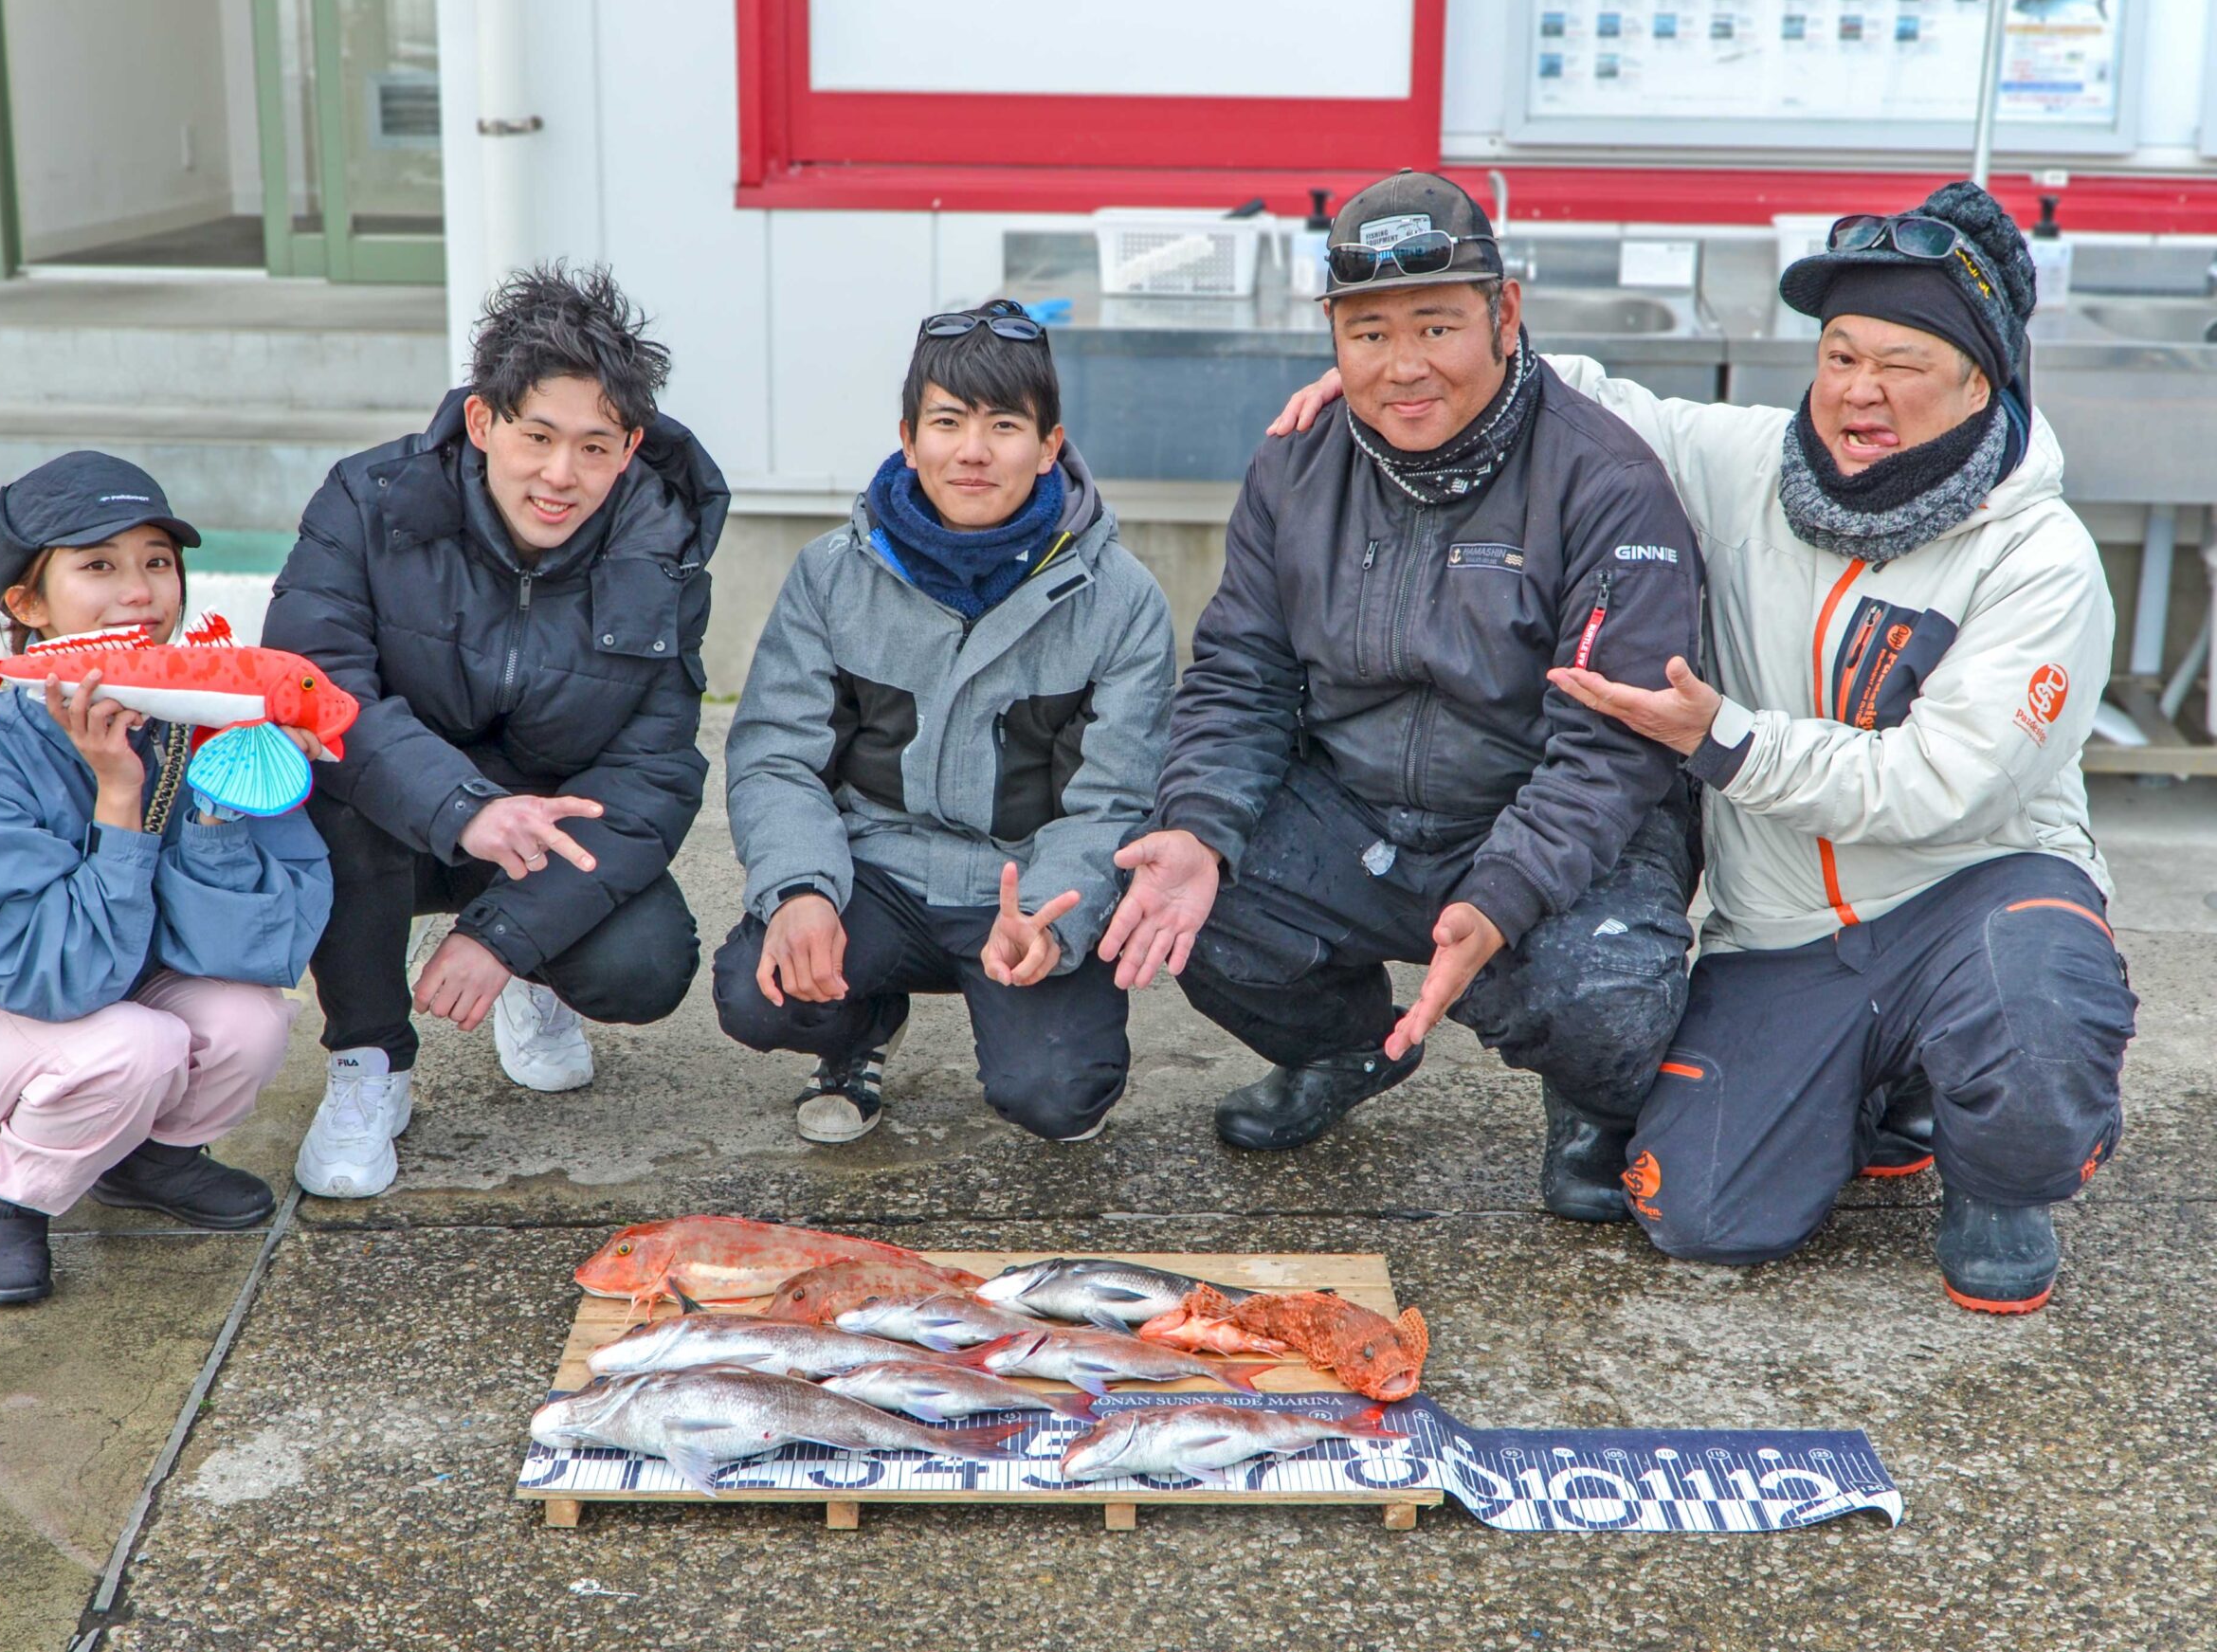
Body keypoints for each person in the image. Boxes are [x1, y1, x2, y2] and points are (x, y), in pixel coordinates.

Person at [1273, 181, 2134, 1313]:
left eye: (1903, 362)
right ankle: (1889, 1095)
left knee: (2032, 1012)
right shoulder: (1745, 465)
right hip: (1780, 932)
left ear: (1982, 379)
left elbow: (1945, 786)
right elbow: (1582, 392)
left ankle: (2001, 1176)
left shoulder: (2039, 555)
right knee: (1699, 1214)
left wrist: (1724, 740)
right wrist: (1410, 371)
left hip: (1973, 893)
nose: (1858, 390)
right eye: (1837, 355)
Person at [1099, 171, 1705, 1219]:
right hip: (1357, 804)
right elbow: (1240, 671)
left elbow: (1610, 749)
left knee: (1607, 1003)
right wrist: (1196, 826)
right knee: (1180, 892)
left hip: (1533, 810)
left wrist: (1501, 895)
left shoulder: (1605, 479)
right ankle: (1346, 1048)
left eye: (1437, 324)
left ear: (1504, 313)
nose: (1404, 366)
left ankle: (1590, 1104)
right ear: (1331, 337)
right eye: (1368, 334)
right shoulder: (1295, 463)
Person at [265, 264, 729, 1198]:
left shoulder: (659, 552)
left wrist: (507, 936)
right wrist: (460, 806)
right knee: (325, 786)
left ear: (631, 447)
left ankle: (537, 982)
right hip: (395, 822)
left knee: (645, 964)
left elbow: (652, 774)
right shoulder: (367, 501)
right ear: (483, 423)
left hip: (537, 839)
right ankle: (369, 1059)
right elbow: (313, 687)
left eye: (595, 448)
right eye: (538, 436)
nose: (562, 475)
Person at [0, 453, 333, 1304]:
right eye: (98, 565)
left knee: (249, 1020)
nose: (140, 591)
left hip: (112, 997)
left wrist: (220, 804)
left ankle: (146, 1159)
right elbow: (67, 981)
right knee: (134, 1045)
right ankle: (5, 1197)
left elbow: (262, 945)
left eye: (157, 561)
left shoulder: (205, 724)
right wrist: (117, 796)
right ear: (25, 605)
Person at [713, 299, 1175, 1143]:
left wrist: (1053, 923)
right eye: (947, 421)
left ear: (1049, 446)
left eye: (1004, 424)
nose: (971, 450)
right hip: (877, 874)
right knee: (755, 986)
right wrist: (802, 891)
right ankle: (859, 1032)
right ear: (907, 436)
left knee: (1057, 1096)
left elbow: (1116, 802)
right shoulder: (830, 576)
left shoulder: (1123, 601)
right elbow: (776, 756)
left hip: (1025, 883)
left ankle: (1031, 1012)